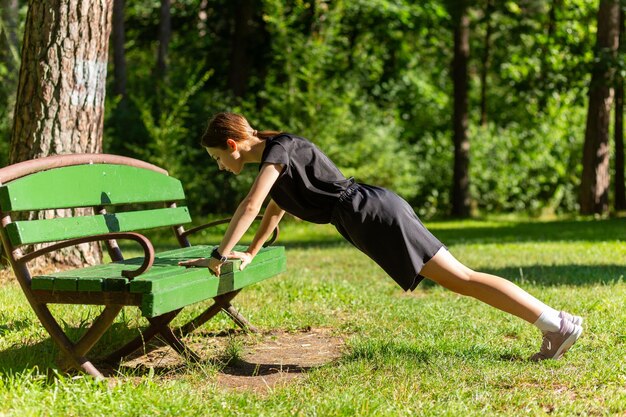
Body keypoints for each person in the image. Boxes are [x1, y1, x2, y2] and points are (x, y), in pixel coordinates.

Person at [179, 112, 583, 361]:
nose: (219, 167)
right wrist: (250, 251)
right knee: (463, 278)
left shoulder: (279, 148)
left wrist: (219, 253)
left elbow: (251, 205)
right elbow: (272, 208)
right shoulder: (275, 159)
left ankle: (555, 324)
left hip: (371, 213)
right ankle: (554, 323)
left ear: (233, 145)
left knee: (463, 278)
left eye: (217, 159)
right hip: (368, 213)